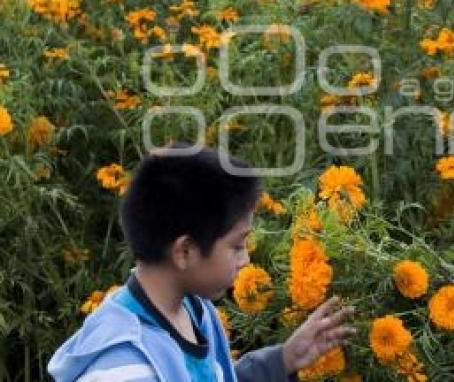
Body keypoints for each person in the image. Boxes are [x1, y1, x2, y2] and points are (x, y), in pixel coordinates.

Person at [49, 144, 355, 381]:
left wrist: (284, 359)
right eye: (236, 246)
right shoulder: (126, 364)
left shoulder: (194, 311)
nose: (245, 259)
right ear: (184, 251)